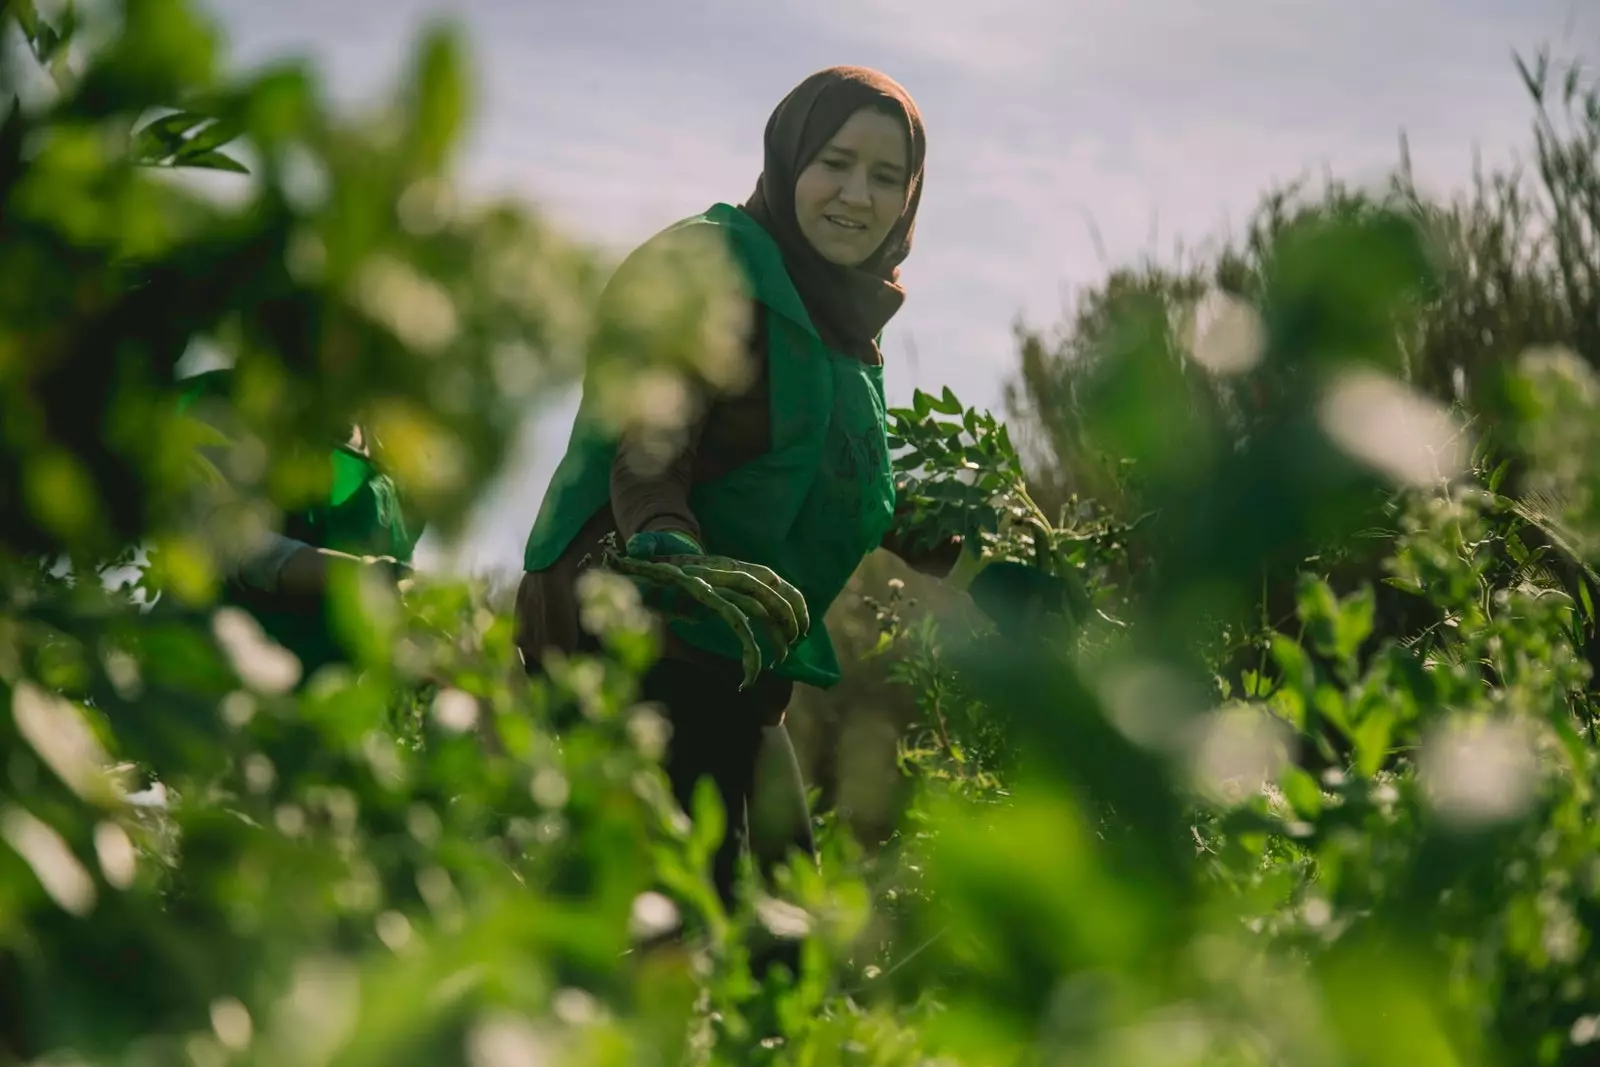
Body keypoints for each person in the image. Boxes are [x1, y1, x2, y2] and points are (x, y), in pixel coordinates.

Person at [515, 66, 1070, 925]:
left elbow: (862, 491)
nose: (857, 195)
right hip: (632, 623)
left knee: (782, 920)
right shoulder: (714, 264)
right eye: (836, 162)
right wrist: (666, 541)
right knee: (682, 914)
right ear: (788, 161)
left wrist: (996, 574)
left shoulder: (847, 336)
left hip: (734, 655)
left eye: (888, 178)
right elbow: (652, 436)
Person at [175, 367, 422, 681]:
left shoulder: (396, 465)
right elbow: (238, 548)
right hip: (240, 670)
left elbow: (398, 574)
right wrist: (361, 577)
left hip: (348, 695)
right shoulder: (249, 410)